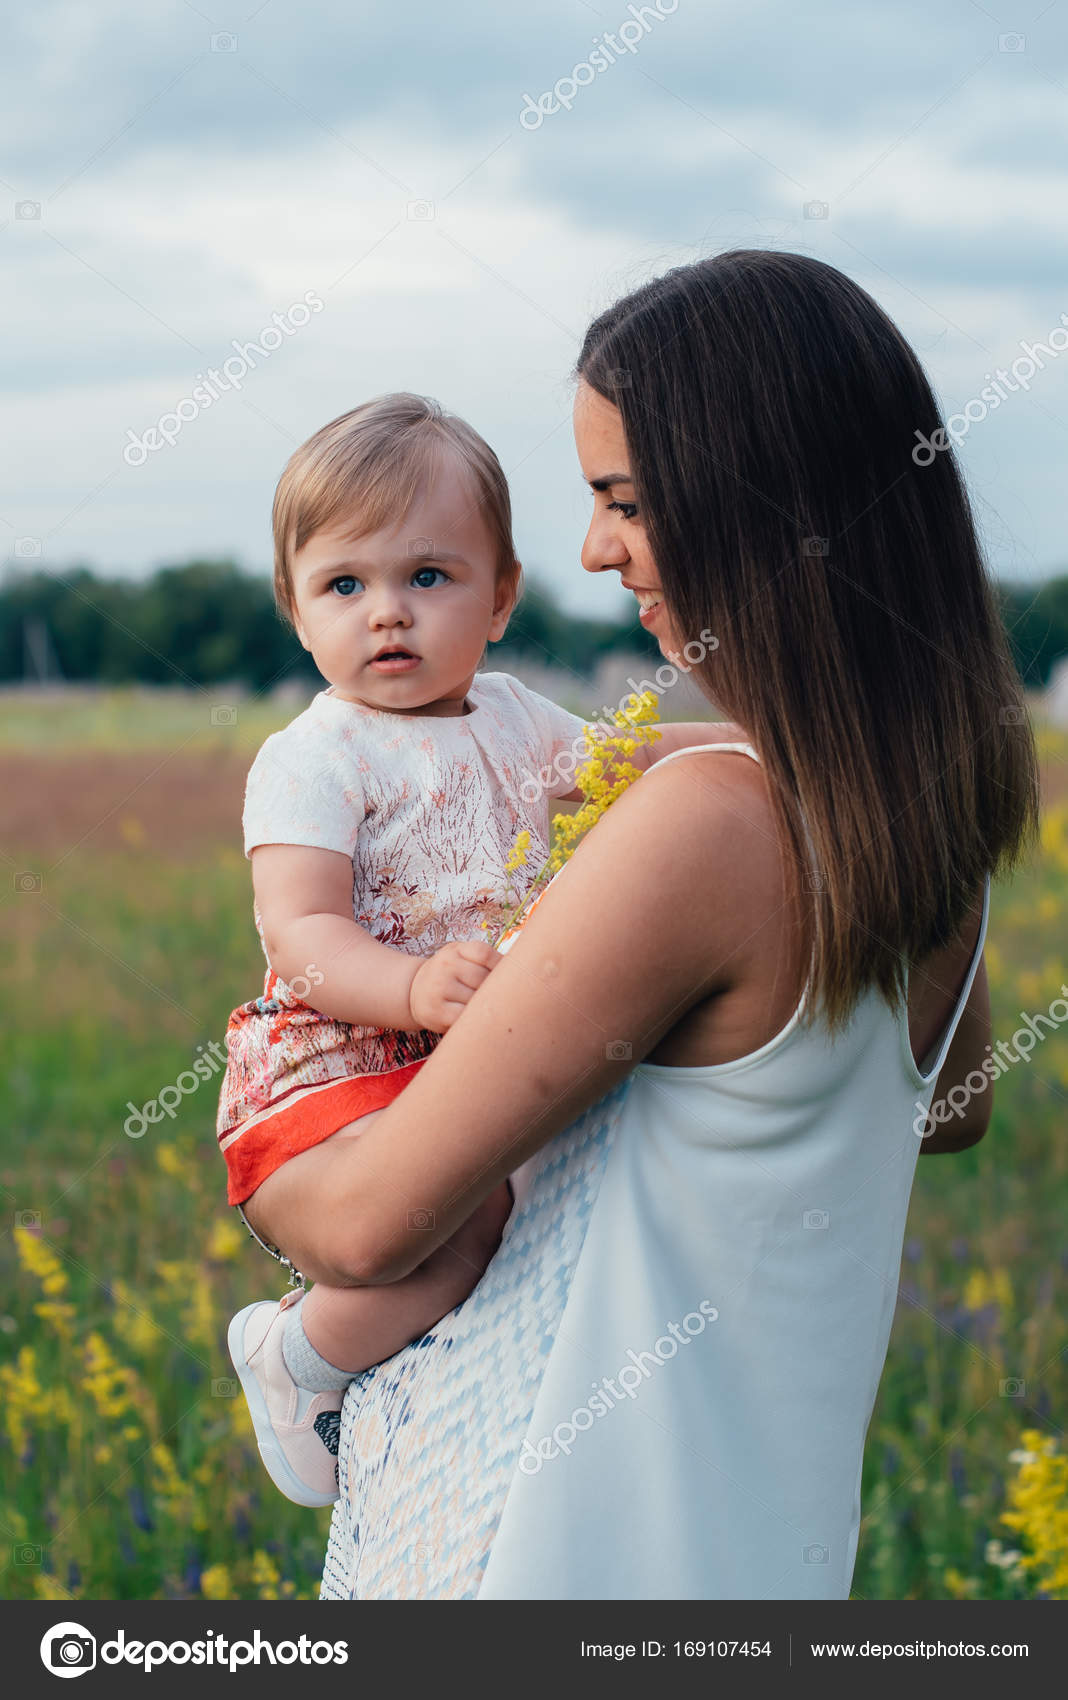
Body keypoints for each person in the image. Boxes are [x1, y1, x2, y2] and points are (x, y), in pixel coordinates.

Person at [240, 250, 1040, 1599]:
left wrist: (283, 1130)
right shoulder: (918, 805)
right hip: (761, 1555)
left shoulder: (710, 831)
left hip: (538, 1541)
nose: (596, 548)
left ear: (759, 508)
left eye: (624, 499)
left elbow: (372, 1227)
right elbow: (951, 1102)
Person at [217, 392, 730, 1507]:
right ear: (295, 610)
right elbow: (298, 935)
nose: (386, 613)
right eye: (344, 585)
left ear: (500, 597)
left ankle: (453, 1408)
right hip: (337, 1064)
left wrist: (760, 740)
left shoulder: (515, 716)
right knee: (464, 1222)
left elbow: (631, 760)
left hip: (459, 1047)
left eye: (428, 578)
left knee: (543, 1194)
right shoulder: (316, 755)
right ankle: (299, 1354)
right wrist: (406, 982)